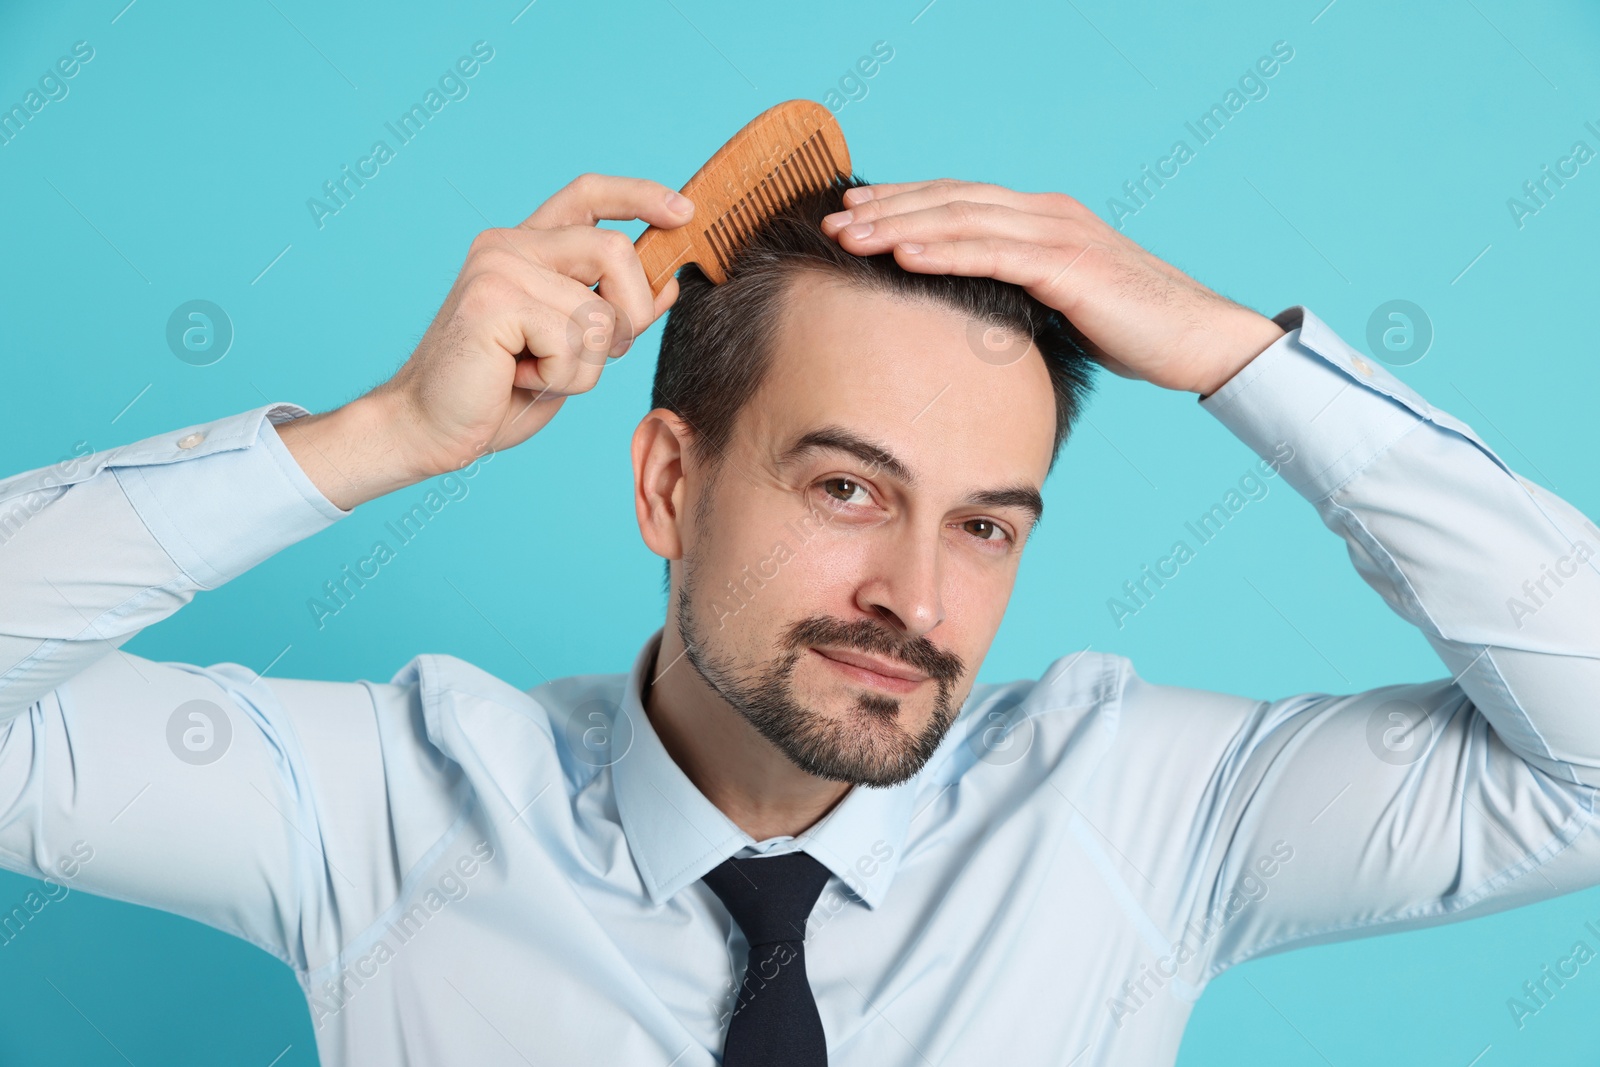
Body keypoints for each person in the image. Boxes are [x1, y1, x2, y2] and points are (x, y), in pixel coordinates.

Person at [1, 171, 1596, 1067]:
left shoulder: (1148, 815)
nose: (916, 593)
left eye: (985, 524)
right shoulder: (379, 812)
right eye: (846, 489)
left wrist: (1237, 354)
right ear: (668, 486)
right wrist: (378, 440)